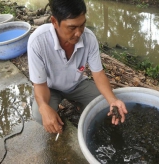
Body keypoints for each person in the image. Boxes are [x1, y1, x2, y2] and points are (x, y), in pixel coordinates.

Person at [28, 0, 128, 135]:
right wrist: (44, 107)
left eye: (82, 25)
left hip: (77, 84)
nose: (79, 33)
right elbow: (39, 85)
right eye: (72, 27)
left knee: (104, 104)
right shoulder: (38, 42)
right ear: (54, 22)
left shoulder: (89, 38)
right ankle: (51, 106)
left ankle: (80, 104)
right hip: (50, 88)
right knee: (40, 114)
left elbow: (98, 74)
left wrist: (113, 100)